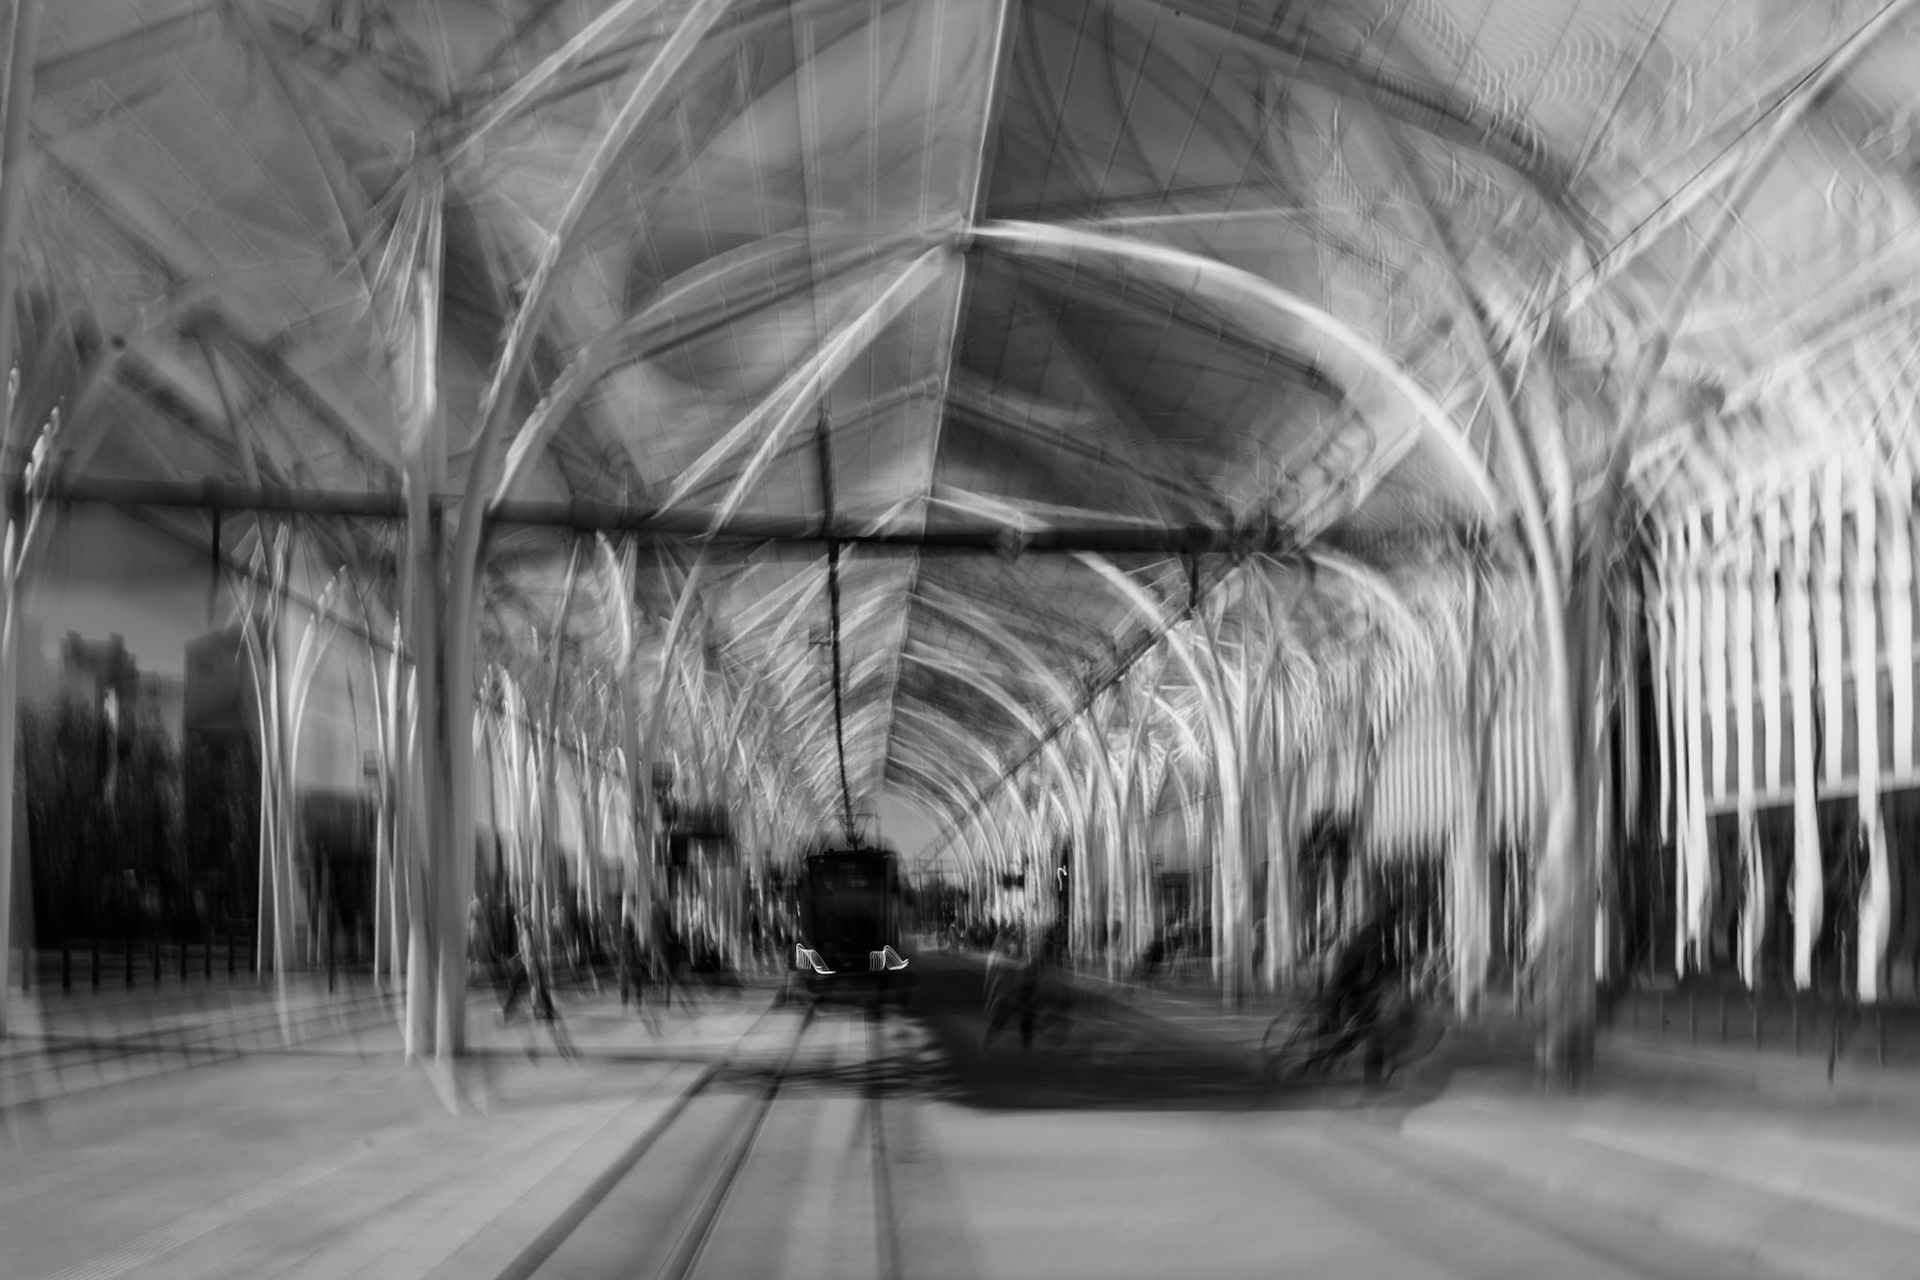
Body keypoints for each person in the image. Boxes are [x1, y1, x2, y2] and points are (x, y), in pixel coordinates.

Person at [1316, 902, 1400, 1081]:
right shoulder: (1378, 934)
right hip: (1350, 983)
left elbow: (1376, 964)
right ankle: (1372, 1075)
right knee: (1368, 1027)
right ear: (1390, 917)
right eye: (1395, 919)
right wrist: (1376, 985)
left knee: (1362, 1027)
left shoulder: (1373, 929)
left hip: (1345, 980)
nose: (1395, 923)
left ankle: (1331, 1058)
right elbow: (1372, 965)